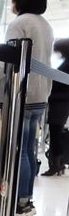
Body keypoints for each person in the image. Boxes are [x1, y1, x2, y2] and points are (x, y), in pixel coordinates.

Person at [0, 0, 53, 216]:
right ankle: (26, 202)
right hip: (40, 97)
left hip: (20, 96)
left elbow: (7, 62)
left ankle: (18, 203)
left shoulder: (19, 23)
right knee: (28, 150)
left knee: (17, 152)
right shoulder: (46, 25)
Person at [42, 38, 69, 176]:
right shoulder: (66, 64)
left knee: (55, 133)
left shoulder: (67, 65)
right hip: (62, 103)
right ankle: (59, 163)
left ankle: (56, 164)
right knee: (56, 133)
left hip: (60, 103)